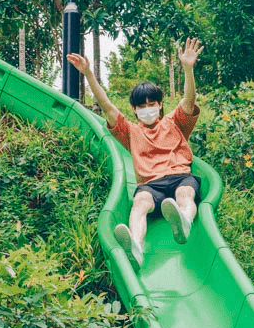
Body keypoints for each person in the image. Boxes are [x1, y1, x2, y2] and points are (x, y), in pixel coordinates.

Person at [66, 38, 204, 270]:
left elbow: (189, 100)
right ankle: (136, 248)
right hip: (150, 185)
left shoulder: (175, 122)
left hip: (180, 176)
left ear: (160, 104)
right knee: (139, 203)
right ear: (134, 109)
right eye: (141, 106)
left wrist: (188, 69)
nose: (147, 109)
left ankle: (185, 222)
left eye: (151, 104)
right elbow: (107, 106)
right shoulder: (130, 132)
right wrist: (88, 73)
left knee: (185, 194)